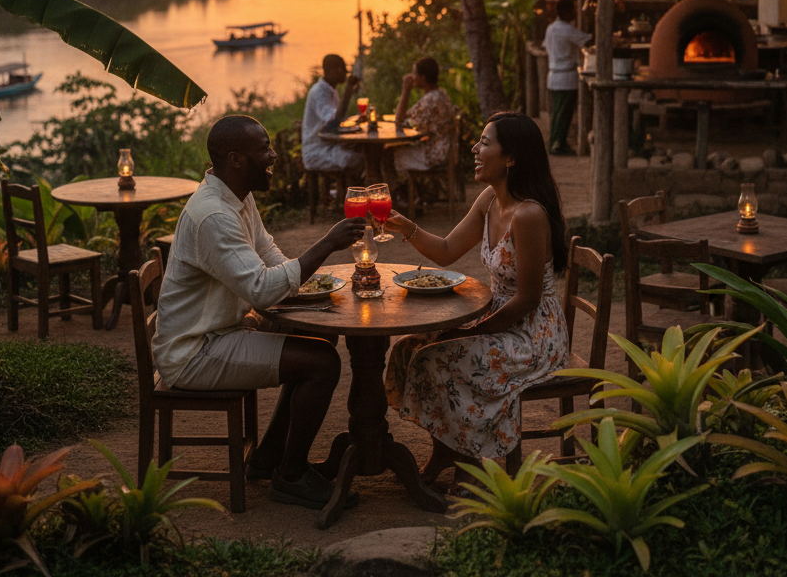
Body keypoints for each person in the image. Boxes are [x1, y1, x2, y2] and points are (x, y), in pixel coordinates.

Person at [152, 114, 366, 510]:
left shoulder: (238, 198)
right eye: (264, 149)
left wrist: (307, 288)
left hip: (220, 330)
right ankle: (290, 476)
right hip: (194, 351)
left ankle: (268, 459)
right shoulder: (214, 216)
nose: (273, 155)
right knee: (322, 363)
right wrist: (327, 243)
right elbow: (261, 290)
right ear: (235, 159)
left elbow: (267, 254)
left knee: (321, 336)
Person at [382, 111, 570, 484]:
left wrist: (473, 332)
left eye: (485, 142)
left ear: (511, 158)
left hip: (532, 334)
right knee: (409, 348)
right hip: (500, 318)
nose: (474, 148)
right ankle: (451, 452)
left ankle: (468, 464)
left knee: (441, 358)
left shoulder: (529, 214)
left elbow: (528, 299)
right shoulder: (490, 198)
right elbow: (448, 249)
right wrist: (407, 227)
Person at [391, 57, 456, 174]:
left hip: (434, 155)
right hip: (443, 150)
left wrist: (406, 90)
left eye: (414, 73)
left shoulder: (430, 100)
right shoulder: (440, 94)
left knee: (389, 156)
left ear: (423, 77)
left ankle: (397, 190)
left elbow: (399, 119)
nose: (412, 76)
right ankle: (410, 189)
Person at [301, 54, 364, 173]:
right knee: (361, 159)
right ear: (331, 70)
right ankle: (353, 190)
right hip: (317, 152)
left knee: (366, 152)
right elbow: (334, 121)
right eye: (342, 68)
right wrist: (348, 89)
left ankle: (355, 188)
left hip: (329, 146)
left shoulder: (331, 91)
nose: (346, 72)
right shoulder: (319, 92)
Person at [543, 0, 591, 155]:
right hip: (566, 77)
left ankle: (556, 141)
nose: (574, 13)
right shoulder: (567, 29)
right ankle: (558, 144)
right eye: (572, 9)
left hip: (554, 75)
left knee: (557, 112)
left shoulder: (551, 28)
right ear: (564, 11)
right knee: (564, 113)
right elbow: (587, 41)